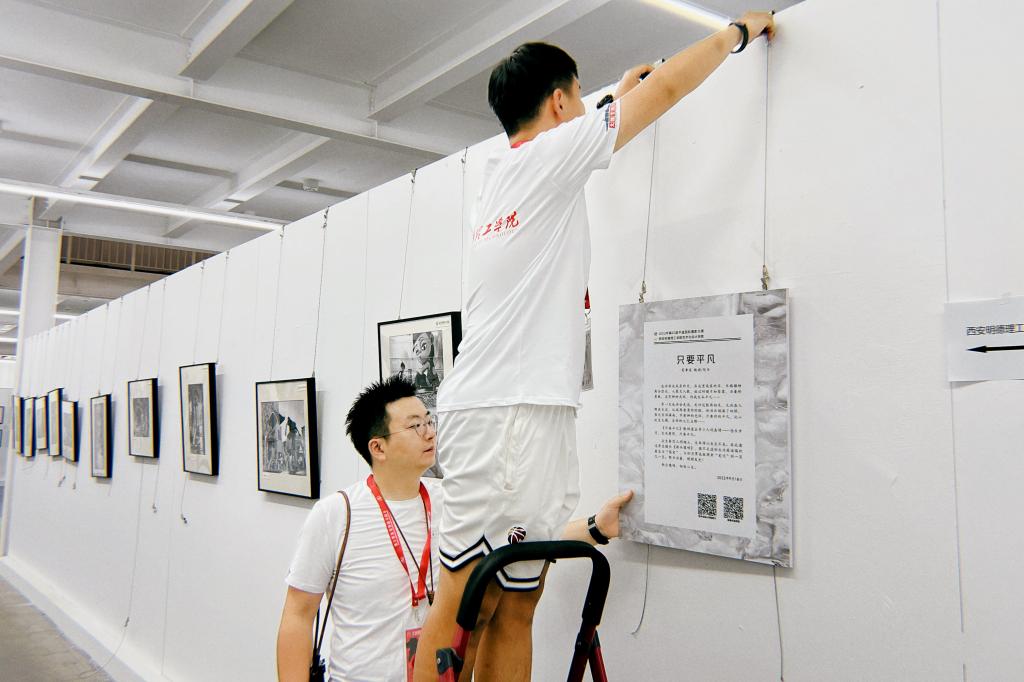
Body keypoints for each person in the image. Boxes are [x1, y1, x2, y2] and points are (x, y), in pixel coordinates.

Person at [415, 13, 776, 681]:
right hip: (509, 413)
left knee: (503, 601)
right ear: (558, 102)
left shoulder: (501, 171)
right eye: (579, 98)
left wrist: (610, 98)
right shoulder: (547, 159)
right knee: (474, 598)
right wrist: (736, 33)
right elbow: (666, 91)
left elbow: (602, 118)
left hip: (511, 409)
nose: (586, 110)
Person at [275, 376, 633, 682]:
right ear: (378, 447)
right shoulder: (337, 514)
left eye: (429, 421)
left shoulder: (453, 498)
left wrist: (596, 528)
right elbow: (298, 614)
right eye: (415, 426)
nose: (430, 433)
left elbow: (518, 540)